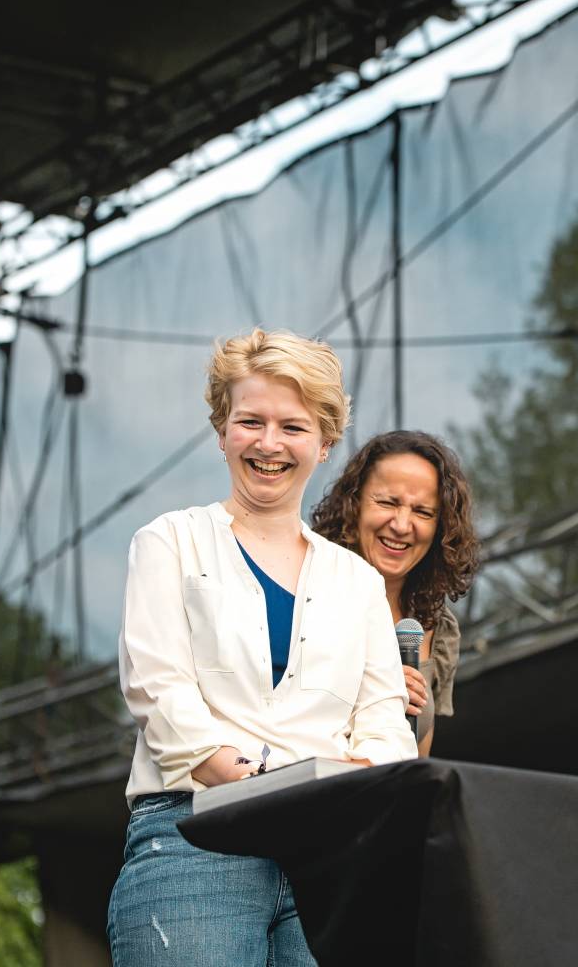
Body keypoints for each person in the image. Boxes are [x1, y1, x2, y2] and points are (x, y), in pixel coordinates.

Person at [108, 328, 416, 966]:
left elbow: (385, 723)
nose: (269, 444)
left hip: (329, 856)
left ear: (326, 443)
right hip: (196, 834)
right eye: (250, 421)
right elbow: (159, 692)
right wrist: (251, 785)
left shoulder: (358, 580)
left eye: (293, 427)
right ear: (222, 430)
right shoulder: (169, 542)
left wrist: (340, 790)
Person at [311, 430, 479, 756]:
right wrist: (373, 691)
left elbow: (419, 759)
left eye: (423, 512)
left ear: (441, 527)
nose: (402, 525)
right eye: (388, 502)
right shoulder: (305, 595)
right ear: (353, 505)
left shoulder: (435, 626)